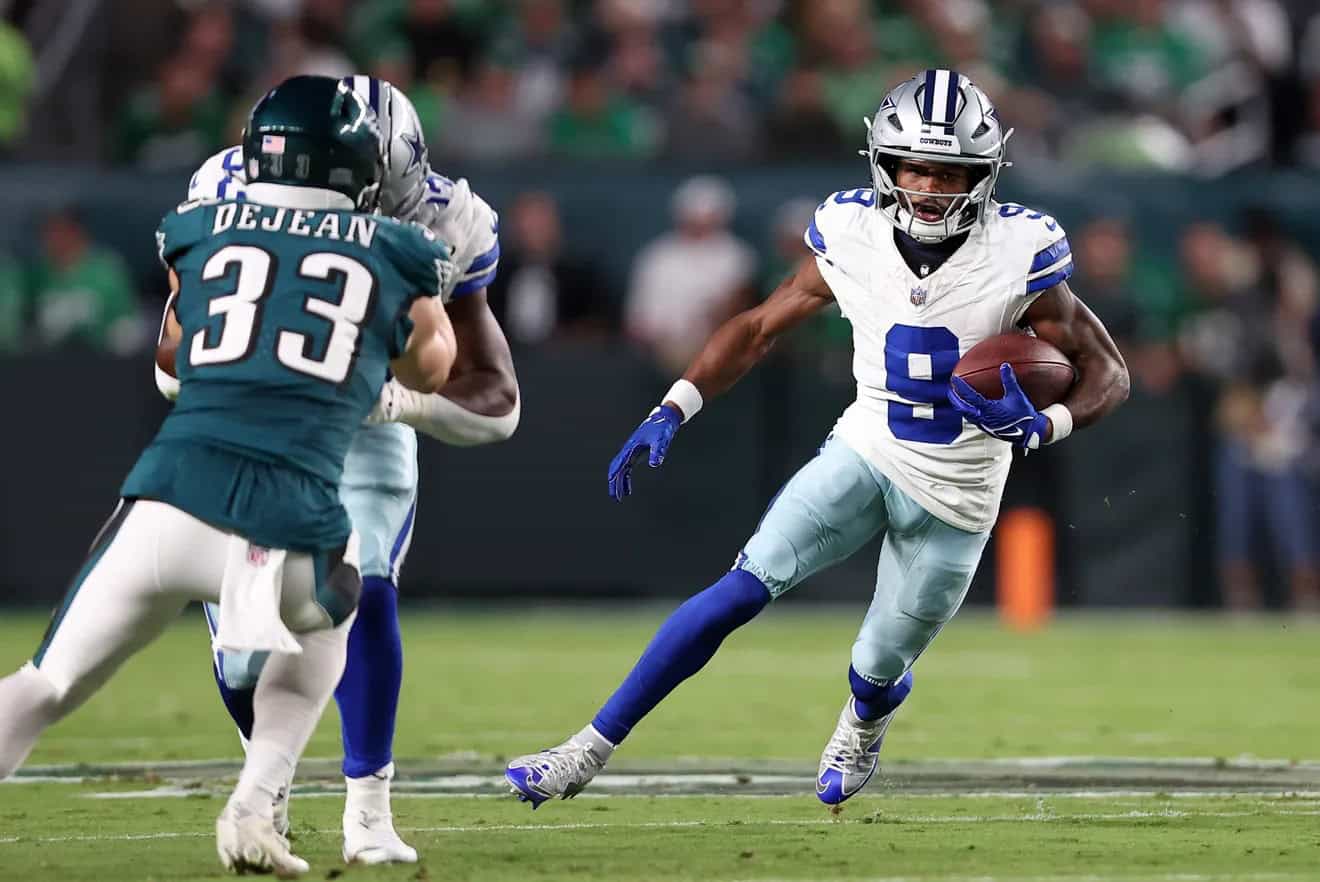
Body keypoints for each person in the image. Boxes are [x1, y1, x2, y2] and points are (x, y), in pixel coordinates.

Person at [506, 69, 1129, 808]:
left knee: (876, 666)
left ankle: (865, 719)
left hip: (960, 494)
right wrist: (674, 406)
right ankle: (583, 751)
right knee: (738, 589)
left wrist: (1046, 423)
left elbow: (1108, 370)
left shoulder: (1020, 248)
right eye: (915, 167)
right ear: (885, 164)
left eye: (951, 170)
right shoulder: (852, 231)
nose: (930, 186)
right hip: (867, 448)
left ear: (984, 173)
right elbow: (758, 327)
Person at [0, 75, 458, 877]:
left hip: (167, 506)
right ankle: (256, 796)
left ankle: (259, 795)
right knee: (340, 603)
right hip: (287, 521)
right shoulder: (395, 248)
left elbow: (178, 344)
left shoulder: (199, 226)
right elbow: (437, 361)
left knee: (45, 683)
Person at [171, 75, 519, 864]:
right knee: (242, 648)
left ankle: (369, 813)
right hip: (252, 417)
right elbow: (169, 351)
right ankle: (270, 787)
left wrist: (396, 401)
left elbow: (497, 399)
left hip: (366, 423)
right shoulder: (227, 186)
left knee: (362, 591)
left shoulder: (443, 220)